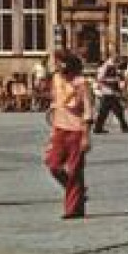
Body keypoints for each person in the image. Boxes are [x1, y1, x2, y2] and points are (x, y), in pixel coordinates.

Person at [46, 51, 94, 219]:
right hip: (59, 128)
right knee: (53, 165)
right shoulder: (56, 79)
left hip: (76, 130)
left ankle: (73, 210)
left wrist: (86, 136)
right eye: (57, 64)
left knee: (74, 170)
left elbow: (88, 110)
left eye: (61, 64)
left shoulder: (82, 83)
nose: (58, 67)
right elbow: (56, 99)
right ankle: (78, 192)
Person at [93, 57, 128, 133]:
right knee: (116, 110)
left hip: (109, 92)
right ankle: (124, 126)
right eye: (118, 63)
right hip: (109, 92)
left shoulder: (110, 67)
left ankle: (98, 128)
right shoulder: (107, 67)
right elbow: (101, 79)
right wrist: (114, 84)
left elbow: (113, 78)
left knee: (106, 111)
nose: (119, 65)